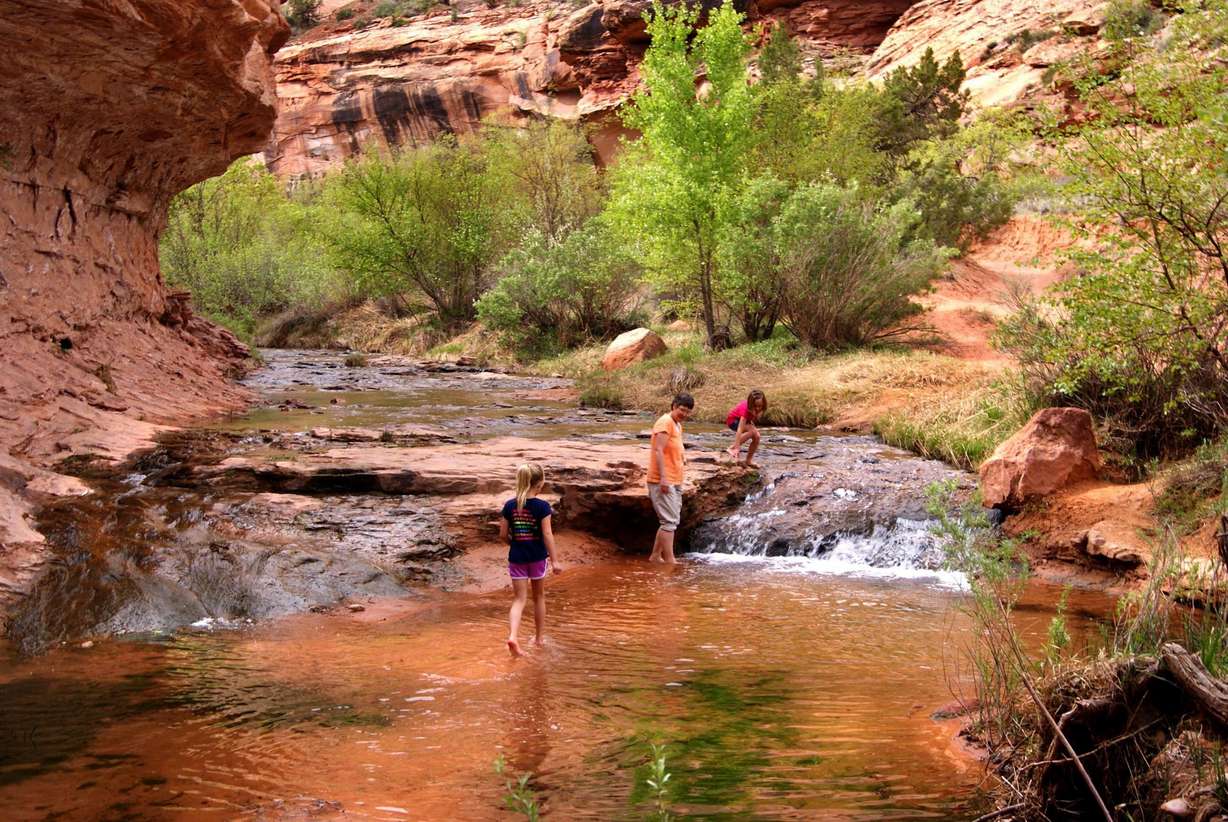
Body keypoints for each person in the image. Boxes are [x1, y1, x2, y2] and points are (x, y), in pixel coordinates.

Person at [499, 463, 560, 657]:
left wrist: (515, 544)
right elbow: (547, 534)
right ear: (540, 483)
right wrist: (555, 561)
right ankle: (539, 638)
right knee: (539, 597)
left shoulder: (510, 505)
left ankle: (513, 636)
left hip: (517, 556)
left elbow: (502, 534)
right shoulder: (542, 507)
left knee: (519, 599)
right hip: (536, 557)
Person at [647, 393, 693, 564]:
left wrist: (683, 458)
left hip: (675, 478)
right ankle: (669, 560)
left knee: (670, 520)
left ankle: (655, 556)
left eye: (688, 411)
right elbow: (658, 450)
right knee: (669, 522)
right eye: (682, 410)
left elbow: (673, 447)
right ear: (674, 406)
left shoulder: (677, 424)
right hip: (663, 479)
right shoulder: (664, 422)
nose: (684, 414)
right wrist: (663, 478)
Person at [725, 389, 767, 469]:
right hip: (733, 421)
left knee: (757, 436)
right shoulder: (745, 409)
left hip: (745, 420)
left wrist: (752, 423)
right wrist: (737, 448)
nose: (758, 408)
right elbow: (740, 429)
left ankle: (748, 460)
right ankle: (732, 448)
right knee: (752, 431)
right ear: (750, 404)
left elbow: (751, 418)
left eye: (760, 406)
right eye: (755, 406)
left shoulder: (760, 408)